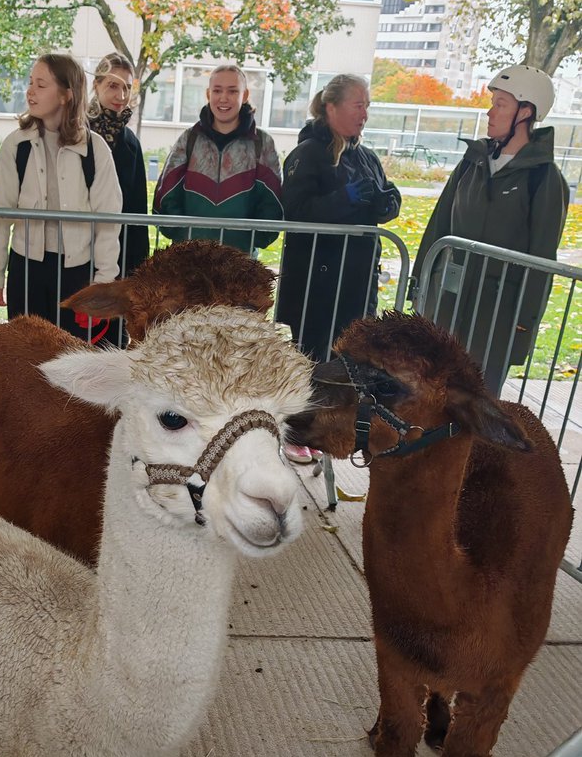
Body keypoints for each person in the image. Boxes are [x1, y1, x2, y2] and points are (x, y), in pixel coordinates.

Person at [412, 64, 569, 397]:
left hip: (494, 318)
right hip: (446, 303)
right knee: (425, 396)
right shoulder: (473, 162)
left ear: (525, 112)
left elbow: (542, 260)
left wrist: (523, 327)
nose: (489, 112)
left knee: (473, 405)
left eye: (500, 104)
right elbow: (437, 228)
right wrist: (420, 286)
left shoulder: (543, 178)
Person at [273, 73, 401, 464]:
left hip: (355, 280)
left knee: (346, 360)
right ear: (332, 108)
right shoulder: (308, 154)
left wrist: (387, 202)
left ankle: (331, 426)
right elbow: (294, 212)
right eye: (357, 104)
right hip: (317, 281)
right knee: (310, 357)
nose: (365, 112)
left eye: (367, 105)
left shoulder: (365, 155)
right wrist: (341, 199)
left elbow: (387, 196)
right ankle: (295, 428)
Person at [0, 53, 122, 336]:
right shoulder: (16, 145)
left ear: (65, 95)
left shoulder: (94, 150)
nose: (30, 91)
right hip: (26, 270)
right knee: (25, 357)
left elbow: (108, 222)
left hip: (77, 274)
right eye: (31, 83)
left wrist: (104, 283)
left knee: (70, 360)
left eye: (41, 84)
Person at [153, 63, 284, 254]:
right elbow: (166, 195)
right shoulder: (189, 139)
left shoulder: (262, 143)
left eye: (232, 91)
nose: (224, 98)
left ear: (245, 95)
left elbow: (272, 203)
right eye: (217, 90)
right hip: (189, 260)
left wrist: (256, 238)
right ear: (208, 94)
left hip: (239, 261)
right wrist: (181, 234)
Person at [87, 51, 149, 344]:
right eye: (112, 85)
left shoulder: (131, 144)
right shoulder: (76, 133)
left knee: (110, 336)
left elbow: (137, 209)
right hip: (79, 250)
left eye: (126, 86)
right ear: (97, 85)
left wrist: (139, 268)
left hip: (119, 253)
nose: (121, 94)